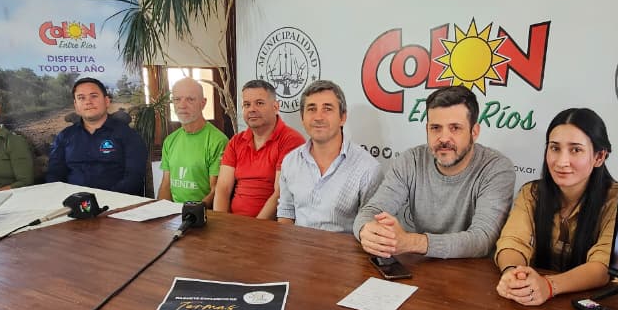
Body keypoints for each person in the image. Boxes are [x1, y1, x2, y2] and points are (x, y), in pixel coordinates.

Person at [354, 85, 515, 259]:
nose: (444, 138)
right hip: (421, 266)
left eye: (455, 128)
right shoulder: (411, 160)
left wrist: (411, 242)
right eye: (436, 128)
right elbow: (371, 210)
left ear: (474, 132)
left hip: (472, 270)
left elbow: (482, 239)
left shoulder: (496, 168)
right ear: (427, 129)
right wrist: (366, 230)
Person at [495, 108, 618, 306]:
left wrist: (549, 285)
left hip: (594, 306)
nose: (562, 162)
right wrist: (513, 274)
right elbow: (512, 242)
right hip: (536, 304)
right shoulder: (531, 193)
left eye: (576, 150)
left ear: (599, 157)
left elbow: (603, 267)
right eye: (555, 148)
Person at [276, 80, 381, 232]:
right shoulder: (291, 161)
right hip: (296, 245)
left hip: (344, 247)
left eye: (327, 109)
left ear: (342, 117)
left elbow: (371, 228)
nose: (318, 117)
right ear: (302, 118)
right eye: (312, 109)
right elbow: (286, 212)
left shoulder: (368, 169)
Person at [215, 79, 305, 218]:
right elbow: (223, 188)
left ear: (275, 107)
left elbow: (280, 194)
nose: (252, 109)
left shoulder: (291, 140)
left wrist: (254, 227)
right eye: (247, 104)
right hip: (233, 222)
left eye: (259, 103)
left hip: (270, 226)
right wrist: (221, 223)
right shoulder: (236, 141)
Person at [45, 77, 147, 195]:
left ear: (107, 101)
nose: (88, 102)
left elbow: (134, 177)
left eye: (93, 96)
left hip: (117, 201)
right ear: (76, 105)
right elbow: (54, 175)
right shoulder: (64, 136)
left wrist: (106, 199)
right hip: (73, 202)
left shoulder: (128, 135)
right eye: (81, 98)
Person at [157, 77, 228, 205]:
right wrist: (162, 210)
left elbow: (216, 190)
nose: (182, 105)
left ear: (203, 103)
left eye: (190, 99)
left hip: (203, 213)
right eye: (177, 99)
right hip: (175, 213)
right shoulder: (170, 140)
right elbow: (166, 185)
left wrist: (193, 212)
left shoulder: (217, 141)